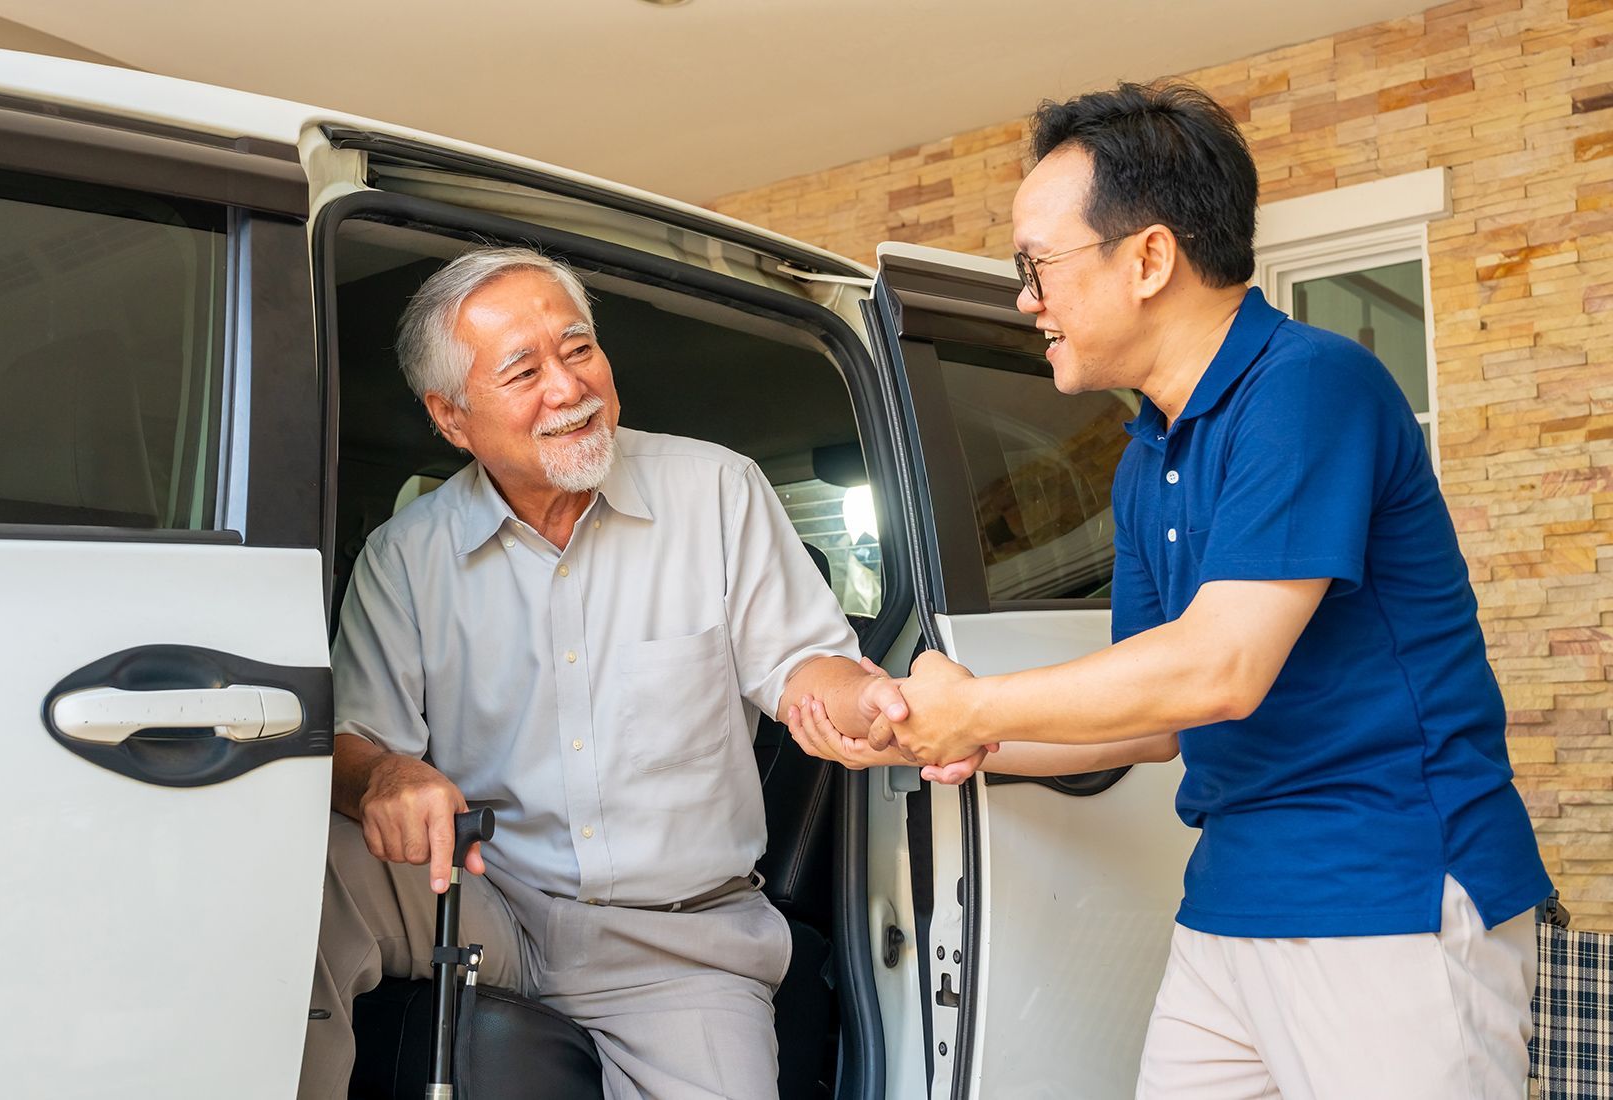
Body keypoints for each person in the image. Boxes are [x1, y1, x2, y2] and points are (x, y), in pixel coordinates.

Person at [808, 82, 1552, 1098]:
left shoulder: (1310, 385)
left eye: (1037, 265)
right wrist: (913, 730)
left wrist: (977, 702)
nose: (1027, 298)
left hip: (1386, 889)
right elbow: (1149, 718)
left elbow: (1219, 667)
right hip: (1233, 897)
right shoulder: (1144, 452)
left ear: (1149, 258)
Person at [297, 246, 965, 1100]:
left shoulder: (716, 490)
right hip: (480, 895)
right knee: (293, 866)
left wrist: (866, 698)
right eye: (524, 370)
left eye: (578, 350)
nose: (568, 388)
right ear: (453, 417)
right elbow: (354, 740)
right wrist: (387, 774)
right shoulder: (405, 556)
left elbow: (805, 665)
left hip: (678, 941)